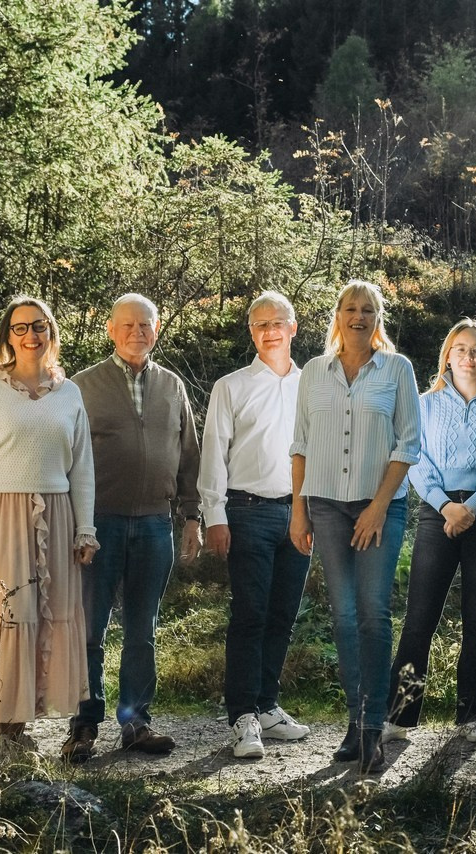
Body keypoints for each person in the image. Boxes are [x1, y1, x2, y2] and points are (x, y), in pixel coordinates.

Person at [0, 295, 97, 753]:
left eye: (39, 326)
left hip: (58, 513)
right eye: (21, 327)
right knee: (8, 617)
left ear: (51, 332)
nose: (31, 335)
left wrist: (85, 528)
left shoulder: (69, 393)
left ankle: (21, 729)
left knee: (44, 618)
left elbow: (82, 468)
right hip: (1, 517)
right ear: (8, 336)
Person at [61, 293, 202, 763]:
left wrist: (191, 515)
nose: (137, 332)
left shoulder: (171, 385)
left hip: (153, 524)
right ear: (110, 329)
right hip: (97, 524)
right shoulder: (82, 386)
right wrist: (76, 524)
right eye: (128, 325)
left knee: (143, 628)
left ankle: (135, 722)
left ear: (156, 330)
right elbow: (67, 458)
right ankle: (84, 724)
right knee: (90, 628)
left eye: (146, 325)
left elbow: (189, 455)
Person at [289, 279, 419, 773]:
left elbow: (408, 444)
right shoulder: (314, 373)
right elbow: (300, 444)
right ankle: (354, 721)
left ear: (377, 318)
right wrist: (299, 510)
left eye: (368, 310)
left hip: (378, 506)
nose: (358, 316)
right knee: (343, 617)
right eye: (350, 308)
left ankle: (372, 732)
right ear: (338, 316)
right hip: (323, 504)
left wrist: (379, 506)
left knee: (373, 614)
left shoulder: (397, 369)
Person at [384, 319, 476, 747]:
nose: (468, 356)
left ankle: (473, 716)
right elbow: (415, 457)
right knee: (419, 618)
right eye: (461, 348)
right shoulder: (425, 404)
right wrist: (446, 506)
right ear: (448, 354)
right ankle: (400, 715)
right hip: (436, 513)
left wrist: (472, 507)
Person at [199, 291, 313, 760]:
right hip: (247, 511)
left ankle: (267, 706)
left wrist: (315, 511)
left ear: (293, 327)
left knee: (283, 615)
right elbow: (213, 453)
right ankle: (243, 716)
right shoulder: (232, 386)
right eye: (260, 324)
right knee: (250, 615)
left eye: (277, 322)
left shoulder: (313, 385)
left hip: (299, 511)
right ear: (252, 332)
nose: (269, 331)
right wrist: (215, 516)